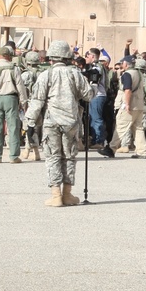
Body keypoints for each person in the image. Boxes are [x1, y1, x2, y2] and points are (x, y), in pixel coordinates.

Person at [25, 40, 97, 207]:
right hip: (71, 122)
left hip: (52, 121)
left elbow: (37, 101)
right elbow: (88, 96)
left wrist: (29, 122)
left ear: (51, 58)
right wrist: (93, 84)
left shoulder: (46, 75)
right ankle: (67, 194)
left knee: (52, 157)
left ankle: (55, 195)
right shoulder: (75, 74)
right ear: (67, 58)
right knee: (69, 157)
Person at [115, 54, 146, 158]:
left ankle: (111, 148)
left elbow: (128, 90)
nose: (121, 65)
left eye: (122, 63)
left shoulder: (127, 74)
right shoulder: (139, 74)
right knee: (138, 128)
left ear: (126, 64)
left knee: (120, 126)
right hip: (139, 105)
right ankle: (142, 151)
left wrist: (127, 104)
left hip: (130, 105)